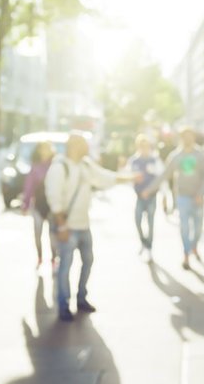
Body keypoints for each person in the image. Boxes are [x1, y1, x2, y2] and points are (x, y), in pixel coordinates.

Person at [45, 132, 136, 321]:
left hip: (83, 224)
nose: (87, 147)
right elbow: (54, 198)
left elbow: (105, 178)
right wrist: (61, 226)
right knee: (66, 266)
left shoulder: (85, 165)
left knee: (88, 260)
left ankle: (81, 297)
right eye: (83, 143)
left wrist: (130, 178)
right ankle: (63, 305)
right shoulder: (60, 167)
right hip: (67, 227)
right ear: (74, 145)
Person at [143, 127, 204, 270]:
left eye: (190, 136)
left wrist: (201, 194)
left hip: (197, 198)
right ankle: (186, 255)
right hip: (183, 198)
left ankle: (194, 246)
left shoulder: (201, 155)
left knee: (198, 229)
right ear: (181, 138)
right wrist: (149, 189)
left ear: (193, 137)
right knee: (184, 228)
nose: (187, 139)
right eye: (184, 136)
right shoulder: (176, 156)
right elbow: (165, 175)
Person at [21, 141, 58, 271]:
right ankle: (40, 257)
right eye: (42, 149)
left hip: (53, 206)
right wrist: (25, 203)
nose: (45, 151)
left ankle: (54, 259)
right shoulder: (35, 166)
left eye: (47, 148)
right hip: (38, 205)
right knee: (37, 234)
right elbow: (29, 186)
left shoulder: (56, 165)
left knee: (53, 235)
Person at [127, 135, 165, 261]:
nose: (144, 149)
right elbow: (128, 177)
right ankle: (144, 242)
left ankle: (149, 247)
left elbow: (160, 178)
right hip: (139, 196)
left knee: (150, 223)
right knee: (137, 221)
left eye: (146, 146)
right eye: (142, 146)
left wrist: (161, 194)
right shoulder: (134, 161)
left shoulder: (155, 160)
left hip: (151, 196)